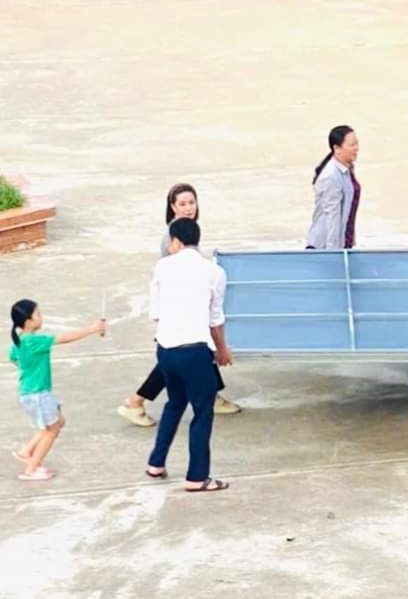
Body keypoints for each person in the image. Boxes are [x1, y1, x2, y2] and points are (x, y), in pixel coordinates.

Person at [116, 183, 239, 427]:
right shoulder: (172, 237)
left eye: (191, 202)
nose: (188, 208)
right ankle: (135, 401)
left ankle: (212, 396)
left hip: (185, 306)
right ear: (172, 207)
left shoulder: (187, 230)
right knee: (176, 360)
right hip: (180, 307)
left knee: (197, 349)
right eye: (182, 204)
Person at [144, 218, 231, 492]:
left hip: (166, 350)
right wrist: (222, 350)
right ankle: (197, 476)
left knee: (174, 403)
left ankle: (156, 462)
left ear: (176, 241)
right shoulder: (214, 272)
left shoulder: (162, 266)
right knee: (202, 412)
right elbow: (215, 319)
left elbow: (156, 313)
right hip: (195, 351)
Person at [9, 300, 106, 481]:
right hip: (39, 394)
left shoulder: (19, 340)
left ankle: (26, 452)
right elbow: (64, 338)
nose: (41, 317)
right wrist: (92, 329)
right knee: (51, 430)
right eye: (38, 314)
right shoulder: (35, 341)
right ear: (28, 320)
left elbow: (13, 358)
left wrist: (30, 370)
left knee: (58, 421)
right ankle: (31, 469)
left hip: (31, 392)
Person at [305, 125, 361, 250]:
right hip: (323, 248)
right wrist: (333, 253)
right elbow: (332, 216)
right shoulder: (331, 176)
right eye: (352, 145)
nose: (356, 148)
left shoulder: (347, 168)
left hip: (341, 244)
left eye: (357, 143)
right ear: (336, 148)